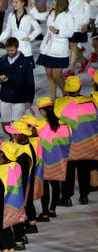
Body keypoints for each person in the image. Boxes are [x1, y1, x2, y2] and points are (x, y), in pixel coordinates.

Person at [55, 76, 98, 206]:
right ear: (79, 88)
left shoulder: (60, 104)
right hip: (87, 145)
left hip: (69, 146)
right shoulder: (91, 102)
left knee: (68, 172)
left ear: (67, 89)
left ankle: (66, 198)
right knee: (84, 171)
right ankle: (84, 196)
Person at [32, 97, 70, 221]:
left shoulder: (39, 124)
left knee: (45, 187)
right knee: (56, 185)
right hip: (59, 159)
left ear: (42, 111)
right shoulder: (64, 124)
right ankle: (52, 210)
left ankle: (45, 214)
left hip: (44, 160)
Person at [29, 0, 74, 99]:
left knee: (56, 76)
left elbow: (70, 32)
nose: (52, 2)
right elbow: (39, 16)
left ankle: (66, 94)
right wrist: (32, 8)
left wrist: (58, 31)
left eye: (54, 1)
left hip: (59, 50)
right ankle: (53, 99)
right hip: (47, 48)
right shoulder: (51, 12)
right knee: (49, 75)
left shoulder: (68, 15)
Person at [0, 140, 24, 252]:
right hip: (14, 204)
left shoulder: (1, 171)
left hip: (1, 204)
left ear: (3, 155)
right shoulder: (16, 165)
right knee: (7, 228)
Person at [0, 37, 35, 124]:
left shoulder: (26, 62)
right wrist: (0, 78)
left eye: (12, 50)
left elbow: (30, 83)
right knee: (5, 124)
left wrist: (29, 100)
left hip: (20, 99)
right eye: (7, 50)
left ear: (17, 47)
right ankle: (12, 138)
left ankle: (15, 138)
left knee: (17, 125)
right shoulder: (2, 60)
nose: (9, 53)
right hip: (5, 97)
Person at [65, 0, 91, 77]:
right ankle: (83, 61)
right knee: (72, 46)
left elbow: (87, 9)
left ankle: (71, 70)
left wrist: (85, 23)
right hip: (69, 26)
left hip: (79, 26)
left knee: (73, 46)